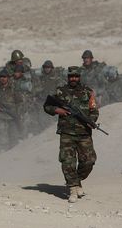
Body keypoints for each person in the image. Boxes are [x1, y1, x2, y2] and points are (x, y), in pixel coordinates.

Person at [43, 66, 99, 203]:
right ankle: (73, 188)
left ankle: (76, 180)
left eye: (76, 76)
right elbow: (47, 105)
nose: (73, 78)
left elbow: (94, 109)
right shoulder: (60, 91)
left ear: (79, 77)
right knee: (68, 161)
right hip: (67, 132)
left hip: (84, 133)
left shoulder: (88, 91)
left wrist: (92, 121)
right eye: (71, 76)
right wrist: (58, 110)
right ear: (68, 77)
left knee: (89, 161)